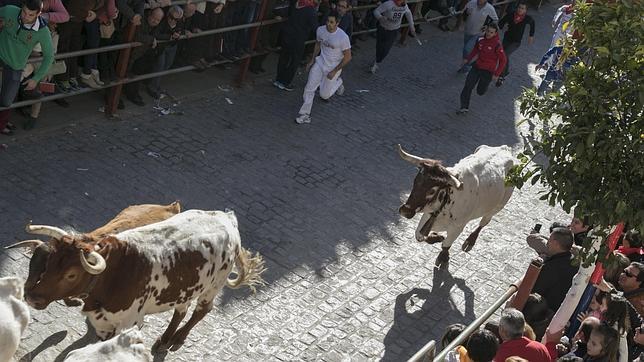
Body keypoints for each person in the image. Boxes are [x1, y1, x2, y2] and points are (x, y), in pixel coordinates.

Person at [0, 0, 54, 135]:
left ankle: (2, 124)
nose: (25, 16)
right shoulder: (10, 10)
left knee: (6, 101)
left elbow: (49, 56)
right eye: (24, 11)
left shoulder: (42, 31)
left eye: (30, 15)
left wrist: (36, 79)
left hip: (15, 66)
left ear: (38, 14)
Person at [295, 10, 351, 124]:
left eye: (331, 22)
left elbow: (348, 57)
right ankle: (305, 114)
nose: (328, 24)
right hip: (320, 63)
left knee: (324, 95)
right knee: (309, 88)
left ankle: (338, 82)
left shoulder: (343, 37)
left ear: (337, 23)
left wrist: (335, 71)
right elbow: (318, 43)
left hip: (333, 68)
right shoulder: (320, 30)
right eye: (327, 21)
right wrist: (312, 60)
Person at [457, 22, 506, 114]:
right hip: (477, 67)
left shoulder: (497, 45)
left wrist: (496, 74)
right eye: (488, 31)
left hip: (488, 71)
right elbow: (476, 49)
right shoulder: (480, 39)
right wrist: (467, 59)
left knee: (480, 91)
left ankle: (484, 87)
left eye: (491, 32)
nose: (488, 33)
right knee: (468, 86)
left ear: (495, 33)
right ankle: (464, 107)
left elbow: (503, 60)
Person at [273, 0, 318, 91]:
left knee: (284, 57)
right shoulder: (310, 10)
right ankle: (286, 82)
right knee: (294, 61)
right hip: (298, 38)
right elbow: (315, 27)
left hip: (287, 34)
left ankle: (278, 79)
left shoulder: (295, 3)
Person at [531, 227, 579, 312]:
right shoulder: (574, 263)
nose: (547, 243)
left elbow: (535, 291)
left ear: (556, 243)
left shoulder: (551, 267)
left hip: (542, 311)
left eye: (549, 240)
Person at [369, 0, 415, 74]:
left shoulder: (404, 5)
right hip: (383, 28)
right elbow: (376, 11)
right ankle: (376, 61)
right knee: (379, 46)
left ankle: (377, 61)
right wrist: (380, 18)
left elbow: (408, 13)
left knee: (386, 48)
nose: (403, 3)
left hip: (394, 30)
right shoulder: (388, 4)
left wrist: (412, 26)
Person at [495, 1, 534, 87]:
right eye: (519, 7)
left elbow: (532, 24)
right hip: (507, 39)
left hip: (516, 42)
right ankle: (505, 72)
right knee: (504, 56)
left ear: (525, 10)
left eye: (523, 8)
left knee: (504, 55)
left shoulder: (527, 18)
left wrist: (531, 36)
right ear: (517, 8)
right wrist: (499, 28)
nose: (520, 10)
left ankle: (501, 76)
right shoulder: (511, 15)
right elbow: (501, 22)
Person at [458, 0, 497, 74]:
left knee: (467, 49)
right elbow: (463, 13)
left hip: (479, 33)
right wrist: (466, 14)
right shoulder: (471, 3)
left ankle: (467, 66)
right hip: (468, 30)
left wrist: (487, 27)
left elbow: (495, 20)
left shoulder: (490, 8)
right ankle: (467, 64)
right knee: (466, 49)